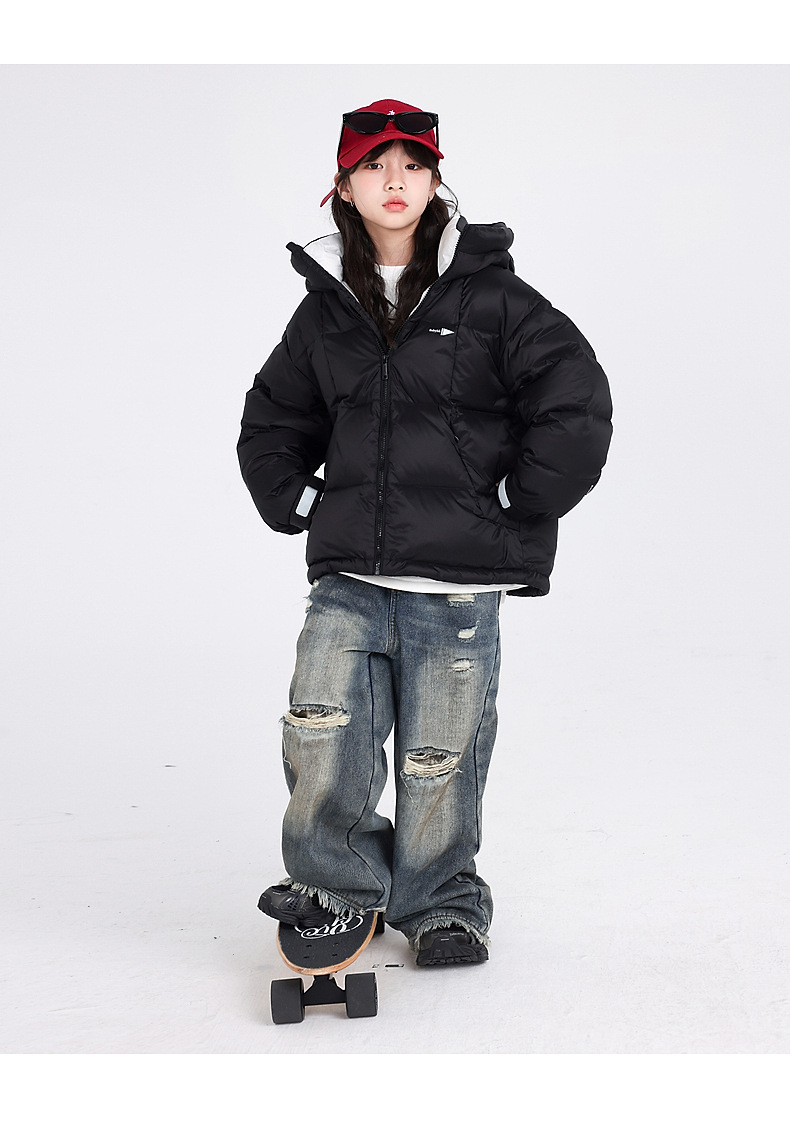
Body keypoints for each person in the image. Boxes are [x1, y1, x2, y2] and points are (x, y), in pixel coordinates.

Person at [237, 98, 612, 966]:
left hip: (456, 588)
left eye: (412, 163)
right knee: (321, 729)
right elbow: (274, 414)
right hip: (349, 580)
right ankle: (334, 884)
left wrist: (525, 497)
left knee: (440, 756)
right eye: (374, 165)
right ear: (343, 188)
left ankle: (442, 902)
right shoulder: (327, 309)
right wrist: (293, 495)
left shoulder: (492, 298)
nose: (395, 179)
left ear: (436, 180)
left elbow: (575, 393)